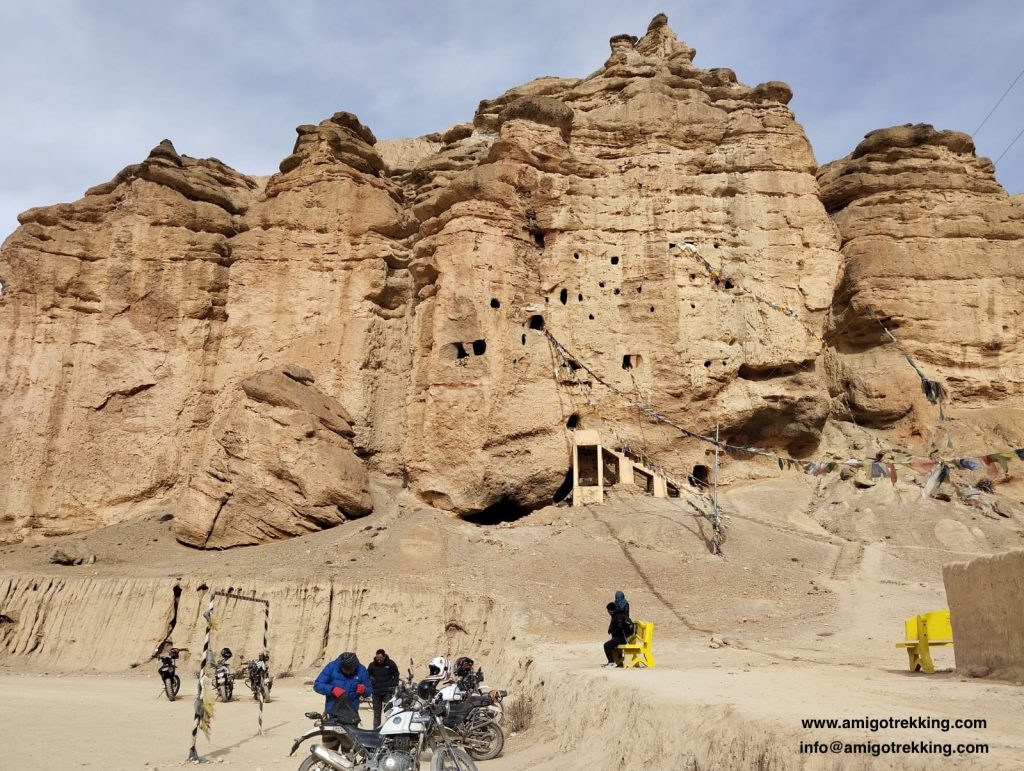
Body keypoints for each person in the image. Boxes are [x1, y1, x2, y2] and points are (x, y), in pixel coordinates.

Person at [313, 651, 372, 725]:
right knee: (330, 736)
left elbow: (369, 690)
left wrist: (364, 690)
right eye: (345, 670)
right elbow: (317, 685)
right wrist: (332, 689)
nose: (348, 672)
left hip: (351, 714)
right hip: (332, 713)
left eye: (350, 670)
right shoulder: (332, 667)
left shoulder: (361, 670)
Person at [367, 648, 400, 729]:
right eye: (377, 659)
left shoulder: (390, 663)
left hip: (387, 692)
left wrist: (393, 685)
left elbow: (396, 674)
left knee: (388, 712)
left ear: (384, 656)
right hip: (376, 692)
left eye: (380, 659)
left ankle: (389, 729)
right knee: (377, 713)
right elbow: (367, 676)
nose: (379, 661)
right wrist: (370, 681)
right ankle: (375, 729)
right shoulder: (372, 665)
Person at [603, 601, 633, 667]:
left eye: (608, 610)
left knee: (606, 645)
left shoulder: (618, 616)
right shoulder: (617, 615)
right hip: (622, 637)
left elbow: (620, 628)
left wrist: (613, 629)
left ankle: (611, 662)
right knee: (610, 644)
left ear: (610, 610)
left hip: (623, 638)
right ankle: (614, 661)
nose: (608, 612)